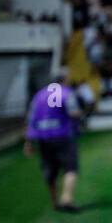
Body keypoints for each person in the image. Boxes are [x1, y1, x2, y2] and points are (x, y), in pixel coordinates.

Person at [23, 67, 84, 212]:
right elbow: (73, 112)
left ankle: (54, 201)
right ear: (66, 79)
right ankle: (66, 198)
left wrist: (28, 142)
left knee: (49, 170)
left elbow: (31, 119)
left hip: (43, 139)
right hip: (63, 136)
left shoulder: (39, 96)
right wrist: (82, 113)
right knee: (70, 167)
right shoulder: (67, 93)